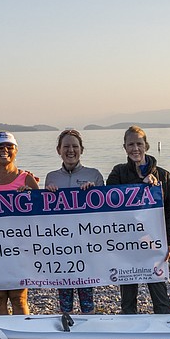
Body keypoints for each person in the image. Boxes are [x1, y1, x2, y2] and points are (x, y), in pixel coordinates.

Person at [105, 125, 170, 314]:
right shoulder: (118, 173)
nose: (135, 148)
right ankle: (129, 337)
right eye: (130, 144)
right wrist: (140, 186)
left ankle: (166, 334)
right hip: (127, 244)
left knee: (160, 297)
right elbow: (110, 202)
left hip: (154, 244)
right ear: (124, 147)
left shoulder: (163, 175)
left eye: (139, 143)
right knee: (128, 299)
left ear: (146, 145)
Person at [0, 131, 39, 315]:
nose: (4, 151)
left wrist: (29, 196)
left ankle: (23, 337)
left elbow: (40, 214)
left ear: (16, 150)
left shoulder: (26, 178)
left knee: (19, 298)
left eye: (9, 147)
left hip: (20, 248)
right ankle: (2, 337)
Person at [44, 128, 104, 314]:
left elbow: (106, 214)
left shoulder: (94, 175)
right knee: (65, 296)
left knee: (87, 297)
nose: (71, 150)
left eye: (75, 146)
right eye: (66, 146)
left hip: (86, 244)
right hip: (61, 246)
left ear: (81, 150)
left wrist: (94, 193)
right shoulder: (51, 177)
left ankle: (90, 330)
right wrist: (47, 194)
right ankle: (66, 329)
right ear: (58, 150)